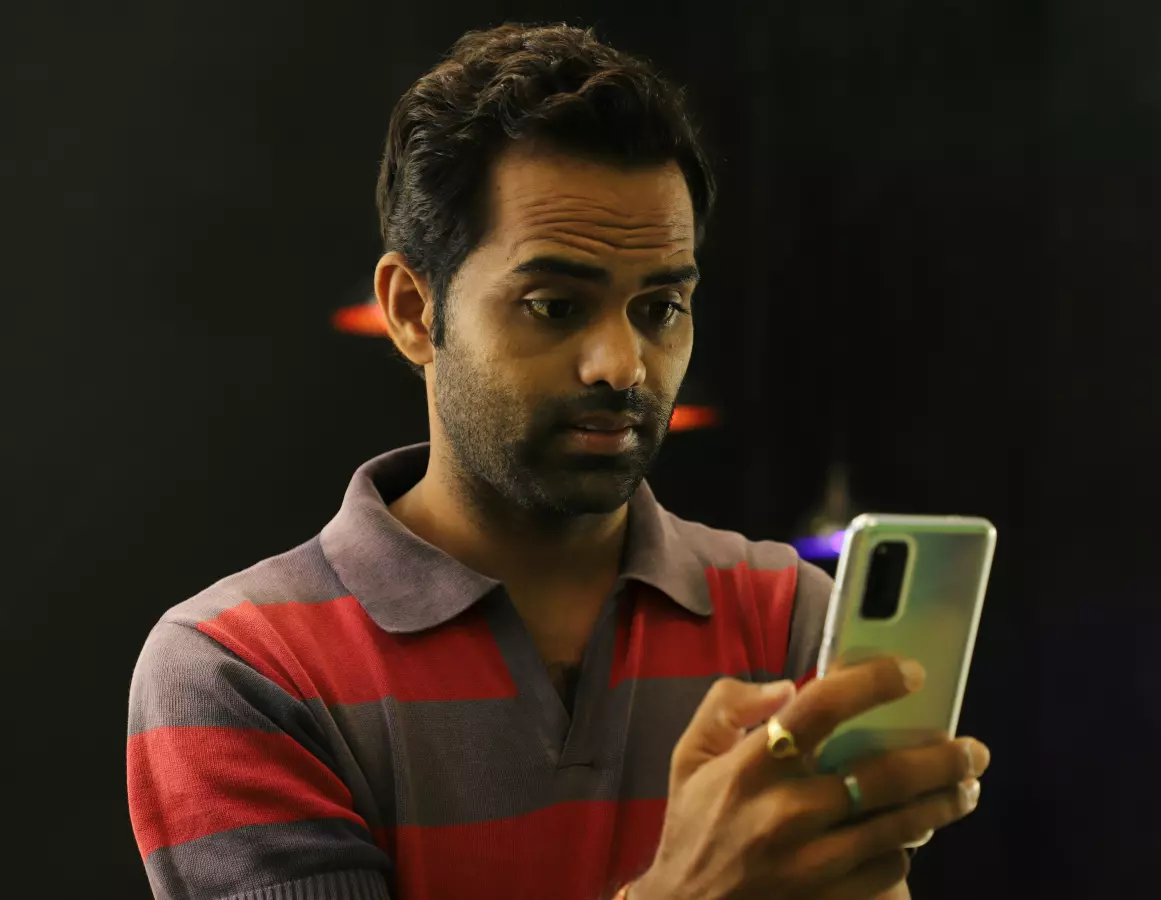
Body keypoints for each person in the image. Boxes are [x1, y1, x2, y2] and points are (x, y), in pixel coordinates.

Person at [126, 23, 989, 900]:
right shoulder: (238, 672)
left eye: (660, 308)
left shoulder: (790, 621)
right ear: (414, 311)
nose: (621, 364)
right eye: (553, 304)